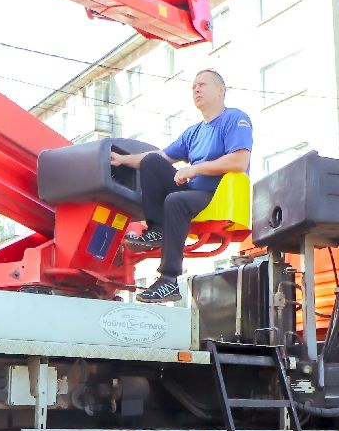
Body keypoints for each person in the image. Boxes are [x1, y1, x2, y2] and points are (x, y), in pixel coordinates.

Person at [108, 69, 252, 303]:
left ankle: (169, 280)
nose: (196, 89)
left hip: (216, 195)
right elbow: (160, 156)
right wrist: (123, 160)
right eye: (193, 86)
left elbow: (239, 160)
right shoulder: (193, 132)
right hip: (192, 193)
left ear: (220, 90)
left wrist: (195, 169)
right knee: (151, 161)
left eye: (202, 84)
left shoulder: (235, 119)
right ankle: (157, 230)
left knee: (176, 200)